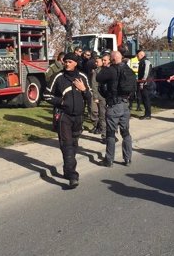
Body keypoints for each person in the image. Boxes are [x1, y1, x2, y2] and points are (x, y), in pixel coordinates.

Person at [43, 52, 91, 188]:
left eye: (69, 61)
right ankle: (72, 175)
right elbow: (46, 95)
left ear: (75, 63)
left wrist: (84, 90)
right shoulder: (58, 77)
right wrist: (61, 102)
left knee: (74, 145)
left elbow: (90, 96)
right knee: (67, 144)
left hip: (79, 117)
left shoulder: (82, 77)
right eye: (65, 61)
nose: (66, 63)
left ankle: (67, 170)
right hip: (64, 116)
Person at [96, 50, 133, 167]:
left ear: (112, 59)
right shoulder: (128, 69)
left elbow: (98, 78)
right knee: (126, 132)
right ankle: (127, 159)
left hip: (114, 105)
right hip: (125, 104)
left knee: (110, 133)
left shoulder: (111, 70)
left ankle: (109, 160)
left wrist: (106, 67)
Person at [90, 56, 107, 136]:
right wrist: (95, 97)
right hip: (99, 96)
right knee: (96, 112)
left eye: (97, 62)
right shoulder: (96, 71)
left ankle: (104, 133)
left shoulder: (108, 70)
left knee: (103, 115)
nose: (96, 63)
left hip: (105, 96)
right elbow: (94, 84)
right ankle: (100, 129)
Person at [136, 49, 153, 120]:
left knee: (146, 99)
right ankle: (147, 114)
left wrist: (142, 82)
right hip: (144, 83)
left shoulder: (146, 61)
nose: (137, 57)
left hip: (146, 84)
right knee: (144, 99)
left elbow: (146, 73)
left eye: (137, 55)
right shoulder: (142, 61)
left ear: (141, 55)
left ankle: (148, 115)